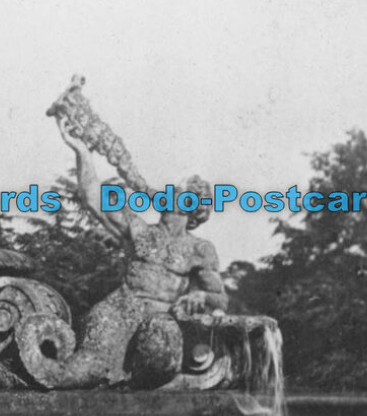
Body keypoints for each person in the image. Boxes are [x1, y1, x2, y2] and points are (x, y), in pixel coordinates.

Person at [39, 115, 229, 388]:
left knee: (156, 358)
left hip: (159, 319)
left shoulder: (200, 249)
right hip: (117, 310)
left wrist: (200, 295)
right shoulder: (140, 229)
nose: (168, 192)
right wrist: (81, 150)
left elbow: (220, 299)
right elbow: (93, 197)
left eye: (177, 190)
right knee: (83, 371)